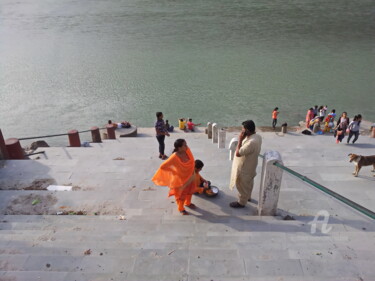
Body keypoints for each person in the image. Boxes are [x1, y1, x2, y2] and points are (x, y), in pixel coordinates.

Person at [152, 139, 196, 215]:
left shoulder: (187, 150)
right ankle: (181, 208)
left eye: (186, 144)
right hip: (181, 179)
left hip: (191, 176)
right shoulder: (174, 157)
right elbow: (163, 166)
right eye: (184, 145)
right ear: (179, 148)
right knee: (181, 195)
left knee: (190, 191)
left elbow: (192, 161)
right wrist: (174, 171)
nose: (187, 146)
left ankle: (188, 203)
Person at [229, 120, 262, 208]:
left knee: (241, 185)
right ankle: (248, 197)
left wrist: (240, 140)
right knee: (249, 183)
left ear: (247, 130)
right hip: (251, 166)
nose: (241, 131)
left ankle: (241, 202)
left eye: (243, 129)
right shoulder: (258, 137)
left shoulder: (251, 142)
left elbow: (238, 153)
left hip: (245, 168)